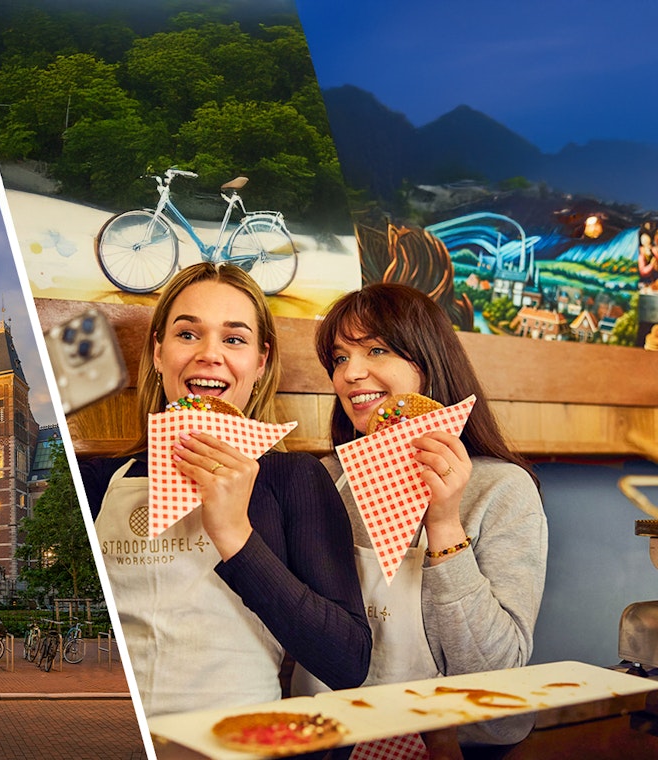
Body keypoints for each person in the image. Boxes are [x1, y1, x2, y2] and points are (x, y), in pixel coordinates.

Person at [80, 262, 370, 717]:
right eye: (188, 334)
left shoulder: (293, 478)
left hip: (242, 739)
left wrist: (236, 535)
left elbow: (348, 661)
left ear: (260, 363)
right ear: (159, 355)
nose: (209, 354)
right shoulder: (97, 481)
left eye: (234, 339)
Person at [307, 282, 548, 744]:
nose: (351, 373)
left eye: (375, 350)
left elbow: (495, 672)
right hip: (336, 735)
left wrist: (443, 522)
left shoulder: (500, 488)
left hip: (463, 742)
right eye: (339, 358)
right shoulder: (323, 479)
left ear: (429, 363)